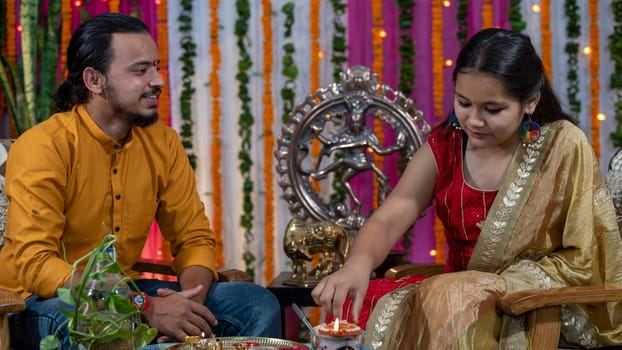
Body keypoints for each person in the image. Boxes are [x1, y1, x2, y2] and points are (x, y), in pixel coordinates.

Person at [311, 27, 622, 349]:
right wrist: (357, 265)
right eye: (463, 102)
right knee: (354, 303)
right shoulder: (445, 146)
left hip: (535, 301)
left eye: (493, 109)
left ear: (530, 102)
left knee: (450, 298)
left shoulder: (562, 145)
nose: (474, 120)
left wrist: (493, 286)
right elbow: (389, 218)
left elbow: (585, 255)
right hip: (452, 297)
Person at [0, 13, 281, 348]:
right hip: (42, 302)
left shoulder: (163, 143)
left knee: (255, 302)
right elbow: (36, 262)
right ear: (94, 80)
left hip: (128, 294)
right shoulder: (45, 146)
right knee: (99, 324)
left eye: (157, 66)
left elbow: (193, 239)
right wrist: (145, 308)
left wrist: (188, 306)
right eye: (140, 70)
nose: (158, 79)